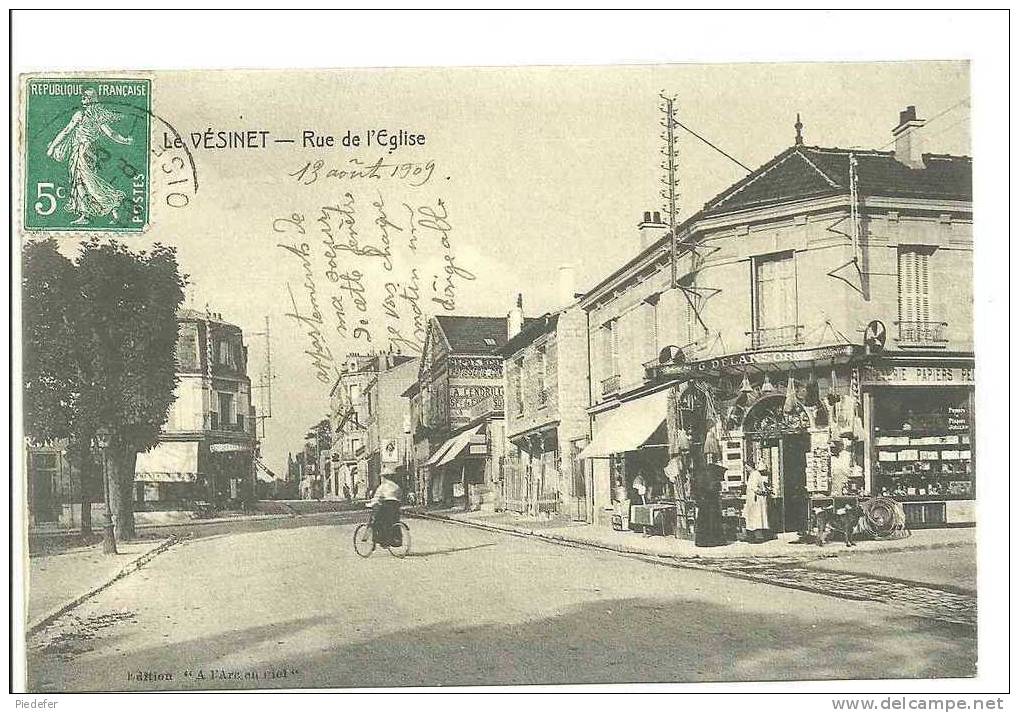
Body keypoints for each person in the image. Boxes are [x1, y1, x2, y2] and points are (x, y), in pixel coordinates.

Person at [46, 88, 134, 225]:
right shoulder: (97, 116)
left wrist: (52, 147)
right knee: (86, 181)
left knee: (84, 181)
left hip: (82, 151)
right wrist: (125, 140)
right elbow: (112, 134)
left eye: (85, 97)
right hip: (89, 151)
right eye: (83, 97)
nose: (83, 99)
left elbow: (66, 131)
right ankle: (95, 213)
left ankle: (110, 204)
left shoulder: (80, 115)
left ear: (90, 100)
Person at [369, 472, 403, 546]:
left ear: (384, 477)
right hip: (396, 506)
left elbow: (377, 497)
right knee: (394, 521)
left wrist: (372, 503)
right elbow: (400, 495)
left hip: (386, 505)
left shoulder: (382, 486)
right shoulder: (396, 486)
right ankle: (396, 538)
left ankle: (380, 539)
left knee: (377, 521)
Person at [743, 461, 772, 543]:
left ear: (750, 466)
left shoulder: (755, 474)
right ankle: (752, 536)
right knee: (752, 517)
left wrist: (760, 492)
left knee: (756, 518)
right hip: (752, 499)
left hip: (755, 499)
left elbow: (755, 488)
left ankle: (758, 537)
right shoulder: (753, 474)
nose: (746, 469)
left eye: (746, 467)